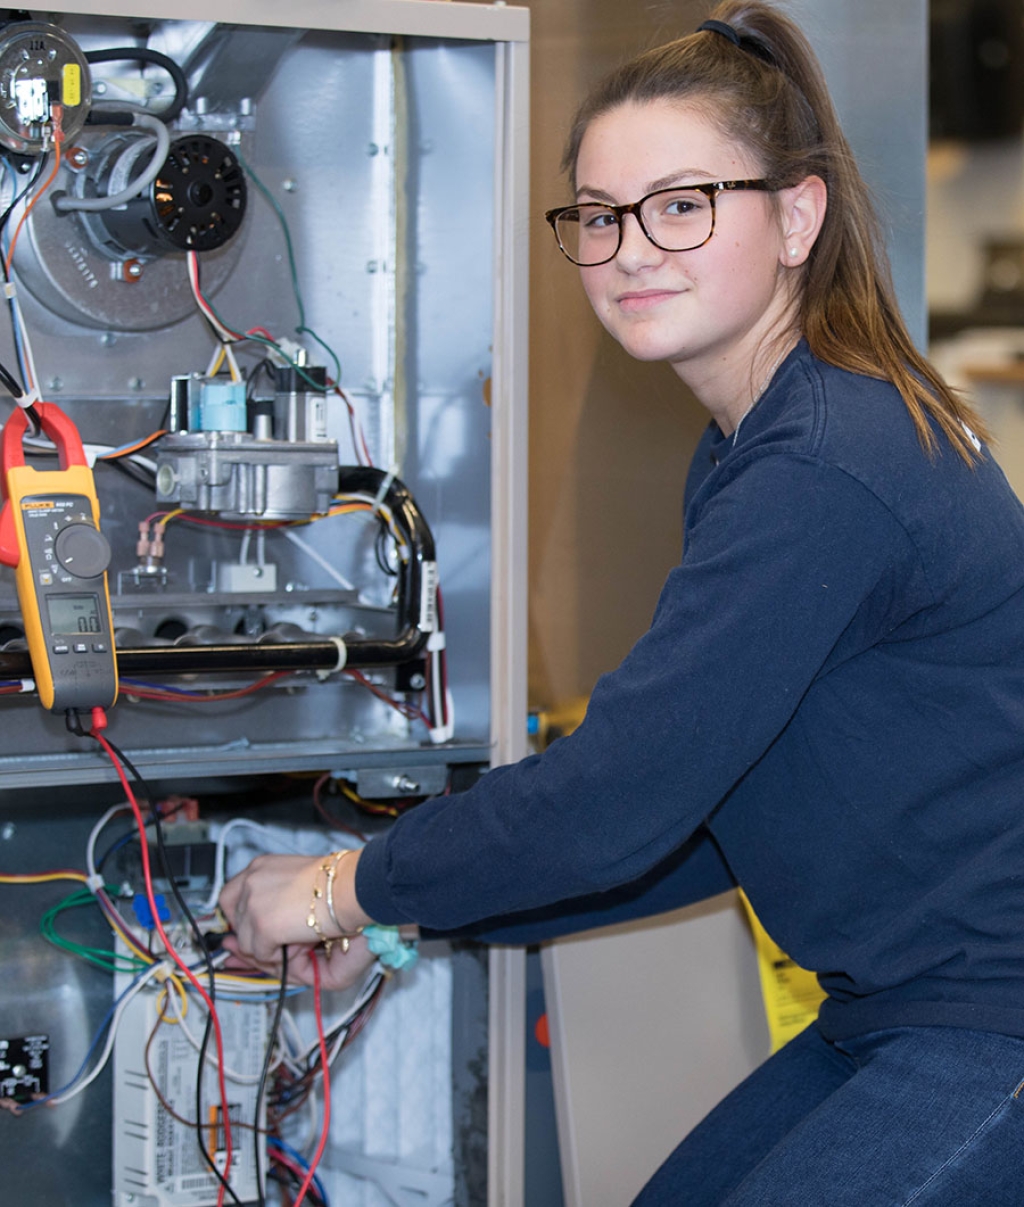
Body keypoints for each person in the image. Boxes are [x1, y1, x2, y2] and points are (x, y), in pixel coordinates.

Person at [220, 3, 1024, 1202]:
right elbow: (702, 818)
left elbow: (618, 797)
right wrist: (396, 921)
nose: (631, 248)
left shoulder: (823, 460)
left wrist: (336, 887)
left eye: (682, 203)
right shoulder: (758, 446)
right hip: (901, 1007)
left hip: (986, 1020)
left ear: (796, 215)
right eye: (598, 215)